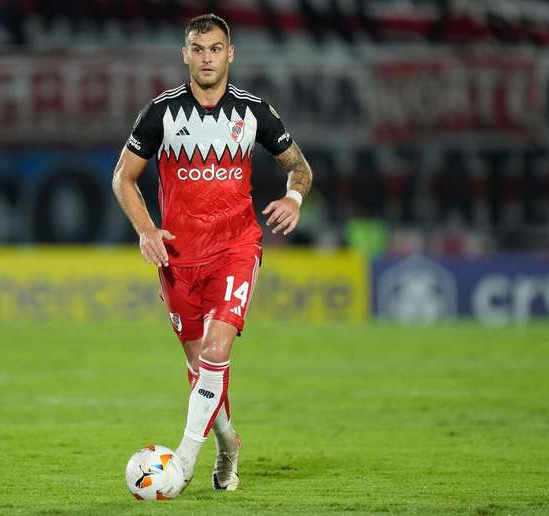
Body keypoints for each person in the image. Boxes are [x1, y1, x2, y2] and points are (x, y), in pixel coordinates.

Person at [111, 13, 313, 494]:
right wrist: (146, 231)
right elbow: (123, 177)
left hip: (236, 248)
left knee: (218, 350)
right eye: (198, 49)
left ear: (231, 53)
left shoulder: (254, 112)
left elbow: (299, 167)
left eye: (215, 48)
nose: (207, 58)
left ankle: (181, 462)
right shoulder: (160, 112)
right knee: (201, 365)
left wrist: (293, 197)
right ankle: (227, 445)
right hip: (178, 258)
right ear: (185, 54)